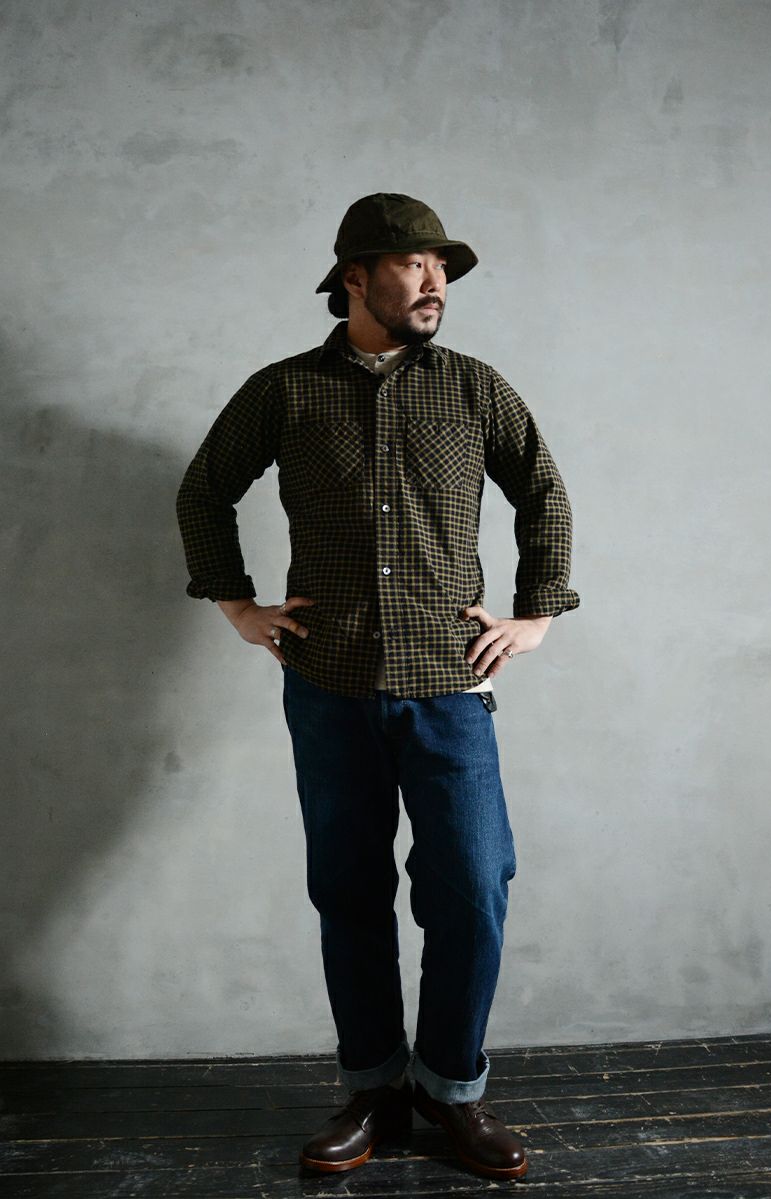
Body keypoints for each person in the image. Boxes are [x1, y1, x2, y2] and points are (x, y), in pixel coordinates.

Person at [176, 193, 579, 1181]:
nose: (435, 282)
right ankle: (372, 1090)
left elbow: (543, 493)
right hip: (330, 685)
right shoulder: (285, 391)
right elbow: (205, 489)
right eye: (414, 264)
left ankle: (450, 1091)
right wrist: (238, 606)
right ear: (354, 277)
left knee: (471, 887)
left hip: (449, 686)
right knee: (349, 891)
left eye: (442, 266)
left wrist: (535, 613)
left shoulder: (475, 389)